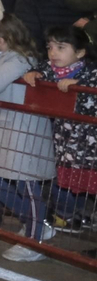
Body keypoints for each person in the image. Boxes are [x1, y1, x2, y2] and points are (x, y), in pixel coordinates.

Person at [0, 13, 58, 261]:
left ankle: (34, 239)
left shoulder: (21, 59)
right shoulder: (3, 57)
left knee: (26, 182)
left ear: (3, 39)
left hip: (21, 129)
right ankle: (35, 223)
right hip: (1, 126)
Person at [28, 24, 97, 230]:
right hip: (68, 143)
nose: (53, 53)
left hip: (91, 143)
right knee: (72, 182)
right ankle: (71, 215)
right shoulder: (50, 69)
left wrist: (80, 84)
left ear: (80, 52)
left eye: (60, 47)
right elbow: (37, 70)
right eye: (50, 47)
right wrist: (32, 74)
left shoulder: (91, 72)